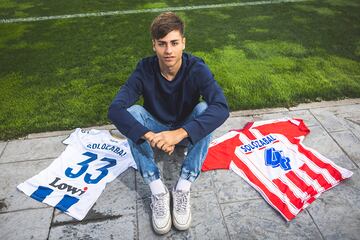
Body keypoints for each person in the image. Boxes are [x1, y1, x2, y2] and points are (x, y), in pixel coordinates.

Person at [108, 11, 229, 234]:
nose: (169, 50)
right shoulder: (144, 68)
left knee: (204, 109)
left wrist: (180, 133)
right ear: (154, 45)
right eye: (162, 44)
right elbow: (115, 109)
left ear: (183, 42)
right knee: (133, 113)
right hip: (156, 129)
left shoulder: (197, 68)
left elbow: (221, 107)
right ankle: (157, 190)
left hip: (184, 130)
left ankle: (183, 186)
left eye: (174, 43)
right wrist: (148, 135)